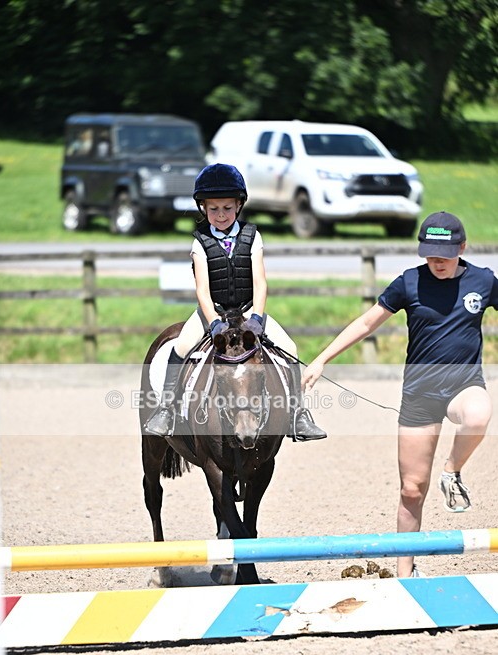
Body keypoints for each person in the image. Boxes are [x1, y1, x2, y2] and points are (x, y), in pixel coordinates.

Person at [302, 211, 498, 577]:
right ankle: (405, 573)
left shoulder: (483, 281)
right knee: (411, 489)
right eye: (430, 253)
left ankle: (452, 472)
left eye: (445, 254)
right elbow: (365, 323)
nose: (437, 261)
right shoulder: (409, 282)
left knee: (478, 415)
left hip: (463, 386)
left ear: (463, 247)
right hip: (419, 396)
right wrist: (322, 359)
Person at [145, 162, 326, 442]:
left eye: (227, 208)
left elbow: (261, 283)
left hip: (248, 309)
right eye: (213, 208)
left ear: (239, 205)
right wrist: (214, 323)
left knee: (290, 348)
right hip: (212, 312)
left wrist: (257, 318)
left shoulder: (253, 236)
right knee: (180, 347)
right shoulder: (200, 242)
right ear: (203, 208)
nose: (221, 215)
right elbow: (202, 291)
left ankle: (297, 414)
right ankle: (167, 410)